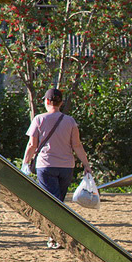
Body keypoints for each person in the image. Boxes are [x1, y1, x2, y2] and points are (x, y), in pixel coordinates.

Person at [21, 88, 91, 249]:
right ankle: (56, 235)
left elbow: (32, 145)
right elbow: (77, 145)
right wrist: (86, 164)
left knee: (52, 203)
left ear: (46, 102)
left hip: (45, 166)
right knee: (58, 201)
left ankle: (55, 237)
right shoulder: (70, 121)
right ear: (61, 103)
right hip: (66, 167)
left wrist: (25, 162)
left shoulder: (39, 119)